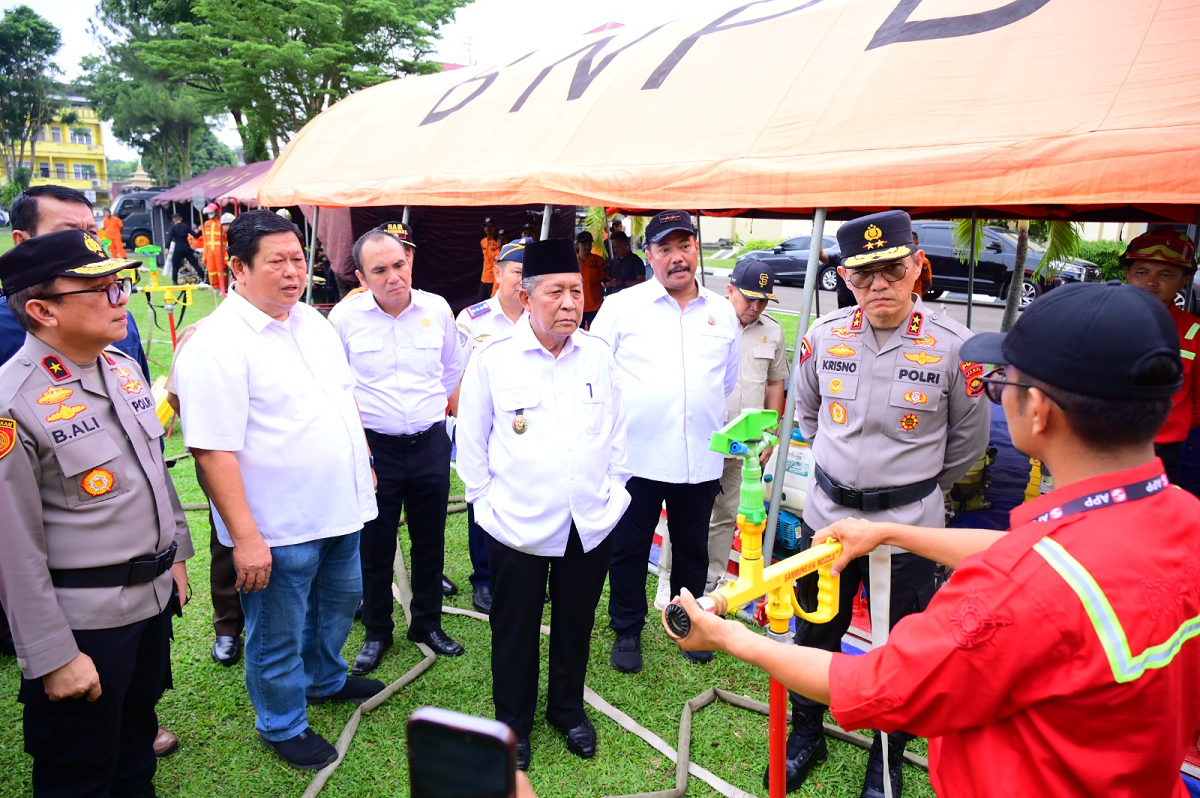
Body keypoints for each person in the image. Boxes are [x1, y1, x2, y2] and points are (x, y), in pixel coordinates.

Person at [667, 281, 1200, 798]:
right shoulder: (1182, 518)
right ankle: (810, 736)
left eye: (1003, 384)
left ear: (1038, 410)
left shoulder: (1013, 592)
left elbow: (878, 684)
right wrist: (890, 531)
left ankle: (886, 762)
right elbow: (1040, 554)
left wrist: (726, 637)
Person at [775, 210, 990, 796]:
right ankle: (806, 735)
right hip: (827, 525)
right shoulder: (823, 337)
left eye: (892, 271)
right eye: (862, 276)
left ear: (917, 266)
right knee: (815, 634)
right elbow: (813, 417)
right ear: (846, 278)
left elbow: (967, 445)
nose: (878, 288)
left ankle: (887, 757)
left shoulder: (956, 347)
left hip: (907, 532)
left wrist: (907, 493)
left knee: (902, 647)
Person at [175, 210, 382, 771]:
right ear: (237, 268)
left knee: (339, 602)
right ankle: (282, 722)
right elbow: (212, 451)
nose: (294, 272)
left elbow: (343, 397)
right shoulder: (216, 345)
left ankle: (323, 678)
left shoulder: (312, 321)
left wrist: (360, 457)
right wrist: (245, 538)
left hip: (340, 504)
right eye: (278, 262)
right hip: (277, 523)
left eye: (298, 259)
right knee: (277, 629)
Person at [0, 229, 194, 796]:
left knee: (135, 752)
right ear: (42, 310)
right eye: (101, 289)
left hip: (150, 603)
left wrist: (175, 556)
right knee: (78, 772)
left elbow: (153, 468)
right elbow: (12, 547)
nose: (122, 299)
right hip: (85, 624)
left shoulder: (122, 369)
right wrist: (52, 655)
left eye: (120, 284)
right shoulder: (13, 401)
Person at [457, 238, 631, 770]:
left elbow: (619, 433)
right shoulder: (493, 359)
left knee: (576, 622)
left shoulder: (598, 355)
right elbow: (471, 444)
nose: (569, 304)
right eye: (555, 291)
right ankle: (513, 724)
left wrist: (615, 493)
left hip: (590, 522)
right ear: (526, 296)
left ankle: (567, 710)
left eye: (576, 292)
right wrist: (487, 508)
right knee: (514, 628)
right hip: (516, 525)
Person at [590, 209, 740, 673]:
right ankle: (627, 629)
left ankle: (689, 626)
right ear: (649, 254)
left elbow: (726, 382)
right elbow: (595, 373)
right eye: (665, 249)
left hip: (700, 459)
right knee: (630, 548)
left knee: (692, 547)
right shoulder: (622, 307)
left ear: (696, 248)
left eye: (685, 246)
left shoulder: (720, 312)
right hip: (637, 457)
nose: (677, 258)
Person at [329, 221, 467, 672]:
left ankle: (427, 623)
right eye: (380, 270)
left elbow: (451, 371)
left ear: (409, 262)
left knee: (431, 538)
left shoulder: (437, 309)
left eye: (399, 264)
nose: (393, 276)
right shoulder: (345, 319)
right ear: (361, 277)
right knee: (375, 542)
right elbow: (337, 386)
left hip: (429, 444)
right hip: (376, 450)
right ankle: (376, 630)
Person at [656, 259, 789, 603]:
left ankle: (710, 583)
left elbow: (775, 385)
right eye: (749, 299)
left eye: (763, 301)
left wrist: (770, 433)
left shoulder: (772, 331)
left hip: (746, 446)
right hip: (704, 441)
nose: (756, 307)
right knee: (687, 516)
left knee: (727, 515)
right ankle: (668, 581)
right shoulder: (706, 322)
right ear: (730, 290)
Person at [449, 237, 531, 615]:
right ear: (497, 273)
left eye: (530, 273)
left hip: (531, 425)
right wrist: (466, 424)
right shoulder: (473, 318)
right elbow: (453, 375)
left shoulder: (541, 315)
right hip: (485, 425)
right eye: (517, 272)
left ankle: (526, 572)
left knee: (529, 498)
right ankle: (484, 579)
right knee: (482, 498)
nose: (523, 280)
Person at [164, 319, 245, 667]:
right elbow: (176, 398)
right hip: (227, 457)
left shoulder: (299, 327)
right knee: (228, 540)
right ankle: (228, 625)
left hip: (290, 462)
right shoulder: (203, 333)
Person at [1121, 230, 1200, 479]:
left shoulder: (1194, 333)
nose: (1151, 281)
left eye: (1166, 274)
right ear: (1128, 274)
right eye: (1142, 272)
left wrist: (1171, 425)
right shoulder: (1099, 320)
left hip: (1159, 453)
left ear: (1184, 280)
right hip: (1096, 445)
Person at [575, 231, 607, 328]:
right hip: (577, 306)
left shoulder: (599, 261)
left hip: (595, 306)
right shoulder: (572, 262)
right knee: (576, 336)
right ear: (578, 244)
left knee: (595, 334)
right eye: (584, 244)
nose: (587, 247)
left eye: (589, 244)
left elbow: (605, 279)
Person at [166, 213, 201, 284]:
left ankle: (175, 281)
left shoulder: (172, 228)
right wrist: (200, 230)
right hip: (186, 248)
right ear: (181, 219)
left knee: (175, 265)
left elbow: (169, 239)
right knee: (195, 264)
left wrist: (167, 248)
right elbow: (196, 235)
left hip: (178, 249)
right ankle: (204, 278)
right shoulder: (185, 227)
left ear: (173, 220)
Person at [200, 203, 228, 293]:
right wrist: (205, 255)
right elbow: (205, 241)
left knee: (221, 271)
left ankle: (223, 288)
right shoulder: (206, 223)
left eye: (211, 212)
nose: (210, 215)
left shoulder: (221, 223)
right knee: (211, 270)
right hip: (210, 251)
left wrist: (226, 254)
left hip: (220, 251)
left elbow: (226, 239)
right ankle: (215, 287)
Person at [479, 217, 501, 302]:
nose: (488, 228)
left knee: (493, 302)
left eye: (490, 226)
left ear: (495, 228)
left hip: (493, 280)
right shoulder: (483, 242)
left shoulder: (497, 244)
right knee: (479, 303)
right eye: (486, 226)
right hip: (484, 278)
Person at [911, 229, 934, 298]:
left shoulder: (923, 261)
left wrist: (919, 295)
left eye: (911, 242)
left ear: (917, 243)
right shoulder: (898, 259)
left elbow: (928, 283)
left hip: (914, 297)